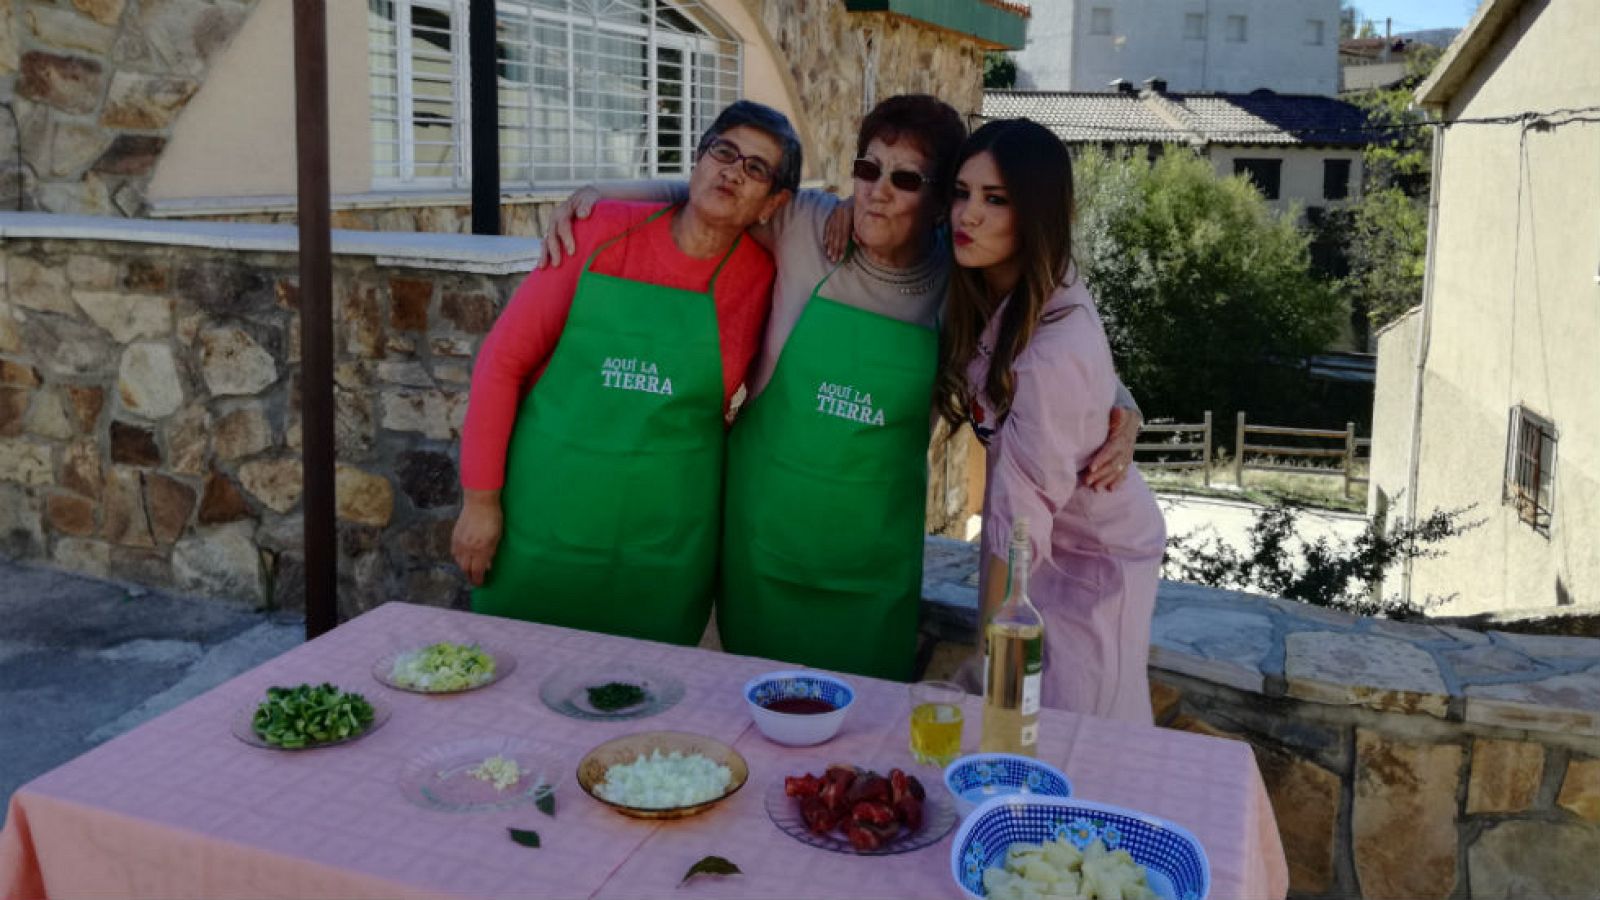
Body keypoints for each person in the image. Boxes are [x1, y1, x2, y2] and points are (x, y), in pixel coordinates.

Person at [539, 96, 1141, 681]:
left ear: (937, 201)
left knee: (860, 742)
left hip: (870, 560)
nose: (879, 190)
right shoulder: (805, 223)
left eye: (906, 179)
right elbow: (716, 195)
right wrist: (598, 197)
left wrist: (1124, 407)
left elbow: (1052, 345)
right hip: (763, 539)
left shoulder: (958, 278)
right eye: (867, 169)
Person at [450, 101, 800, 646]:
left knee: (645, 711)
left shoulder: (764, 281)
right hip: (543, 526)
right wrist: (480, 502)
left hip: (664, 550)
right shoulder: (598, 232)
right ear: (697, 159)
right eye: (723, 151)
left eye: (756, 168)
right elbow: (502, 363)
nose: (732, 171)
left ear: (772, 204)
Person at [941, 119, 1166, 723]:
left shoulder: (1049, 350)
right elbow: (1100, 384)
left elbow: (1014, 537)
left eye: (997, 199)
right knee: (1030, 710)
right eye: (962, 192)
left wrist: (990, 660)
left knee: (1072, 722)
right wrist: (1129, 410)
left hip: (1094, 555)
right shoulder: (1004, 283)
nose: (969, 215)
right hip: (1044, 529)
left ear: (1036, 213)